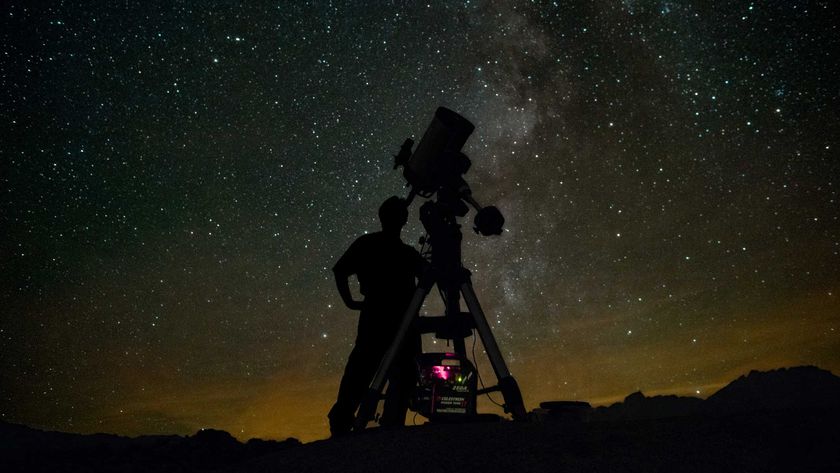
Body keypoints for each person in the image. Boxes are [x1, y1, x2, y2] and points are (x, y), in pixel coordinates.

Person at [327, 196, 425, 436]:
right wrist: (350, 302)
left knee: (363, 370)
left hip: (379, 315)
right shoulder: (405, 253)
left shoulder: (369, 244)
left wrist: (350, 302)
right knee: (381, 371)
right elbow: (340, 270)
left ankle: (344, 422)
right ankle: (386, 423)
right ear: (403, 219)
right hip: (396, 318)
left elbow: (340, 271)